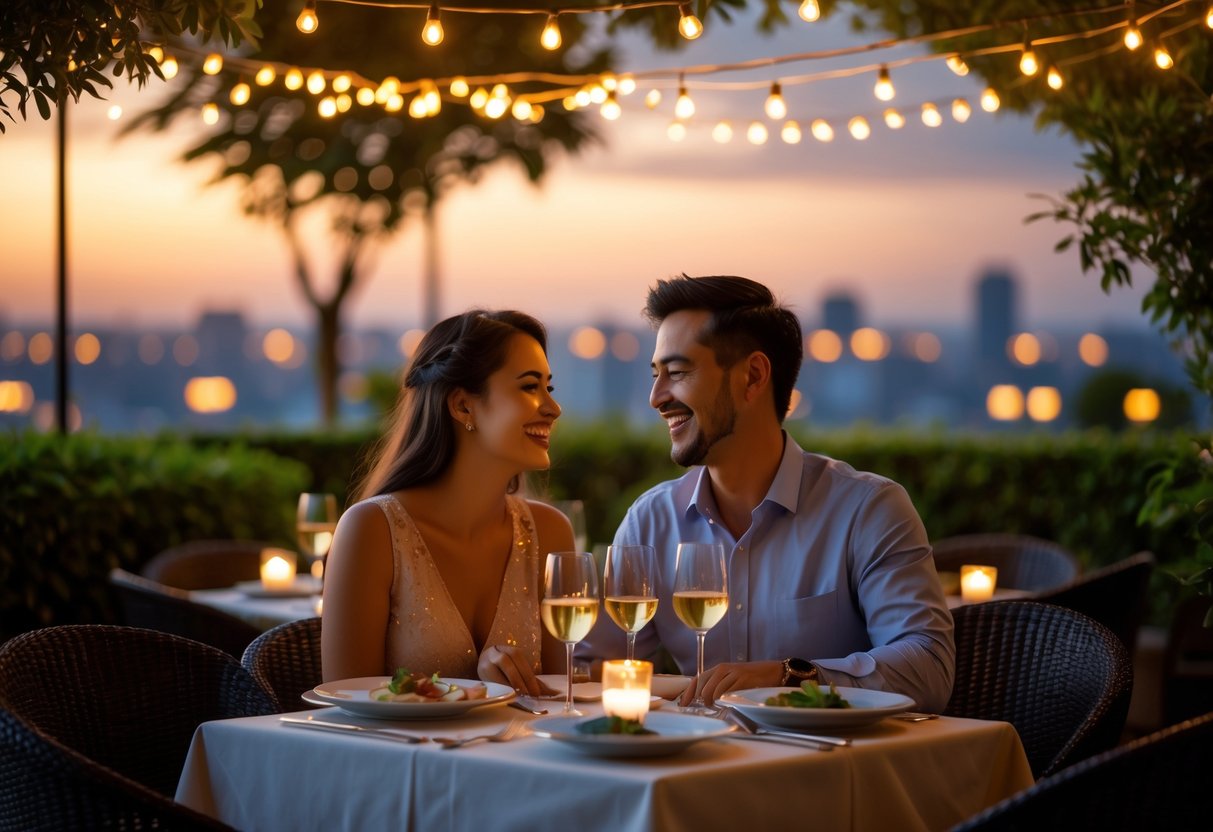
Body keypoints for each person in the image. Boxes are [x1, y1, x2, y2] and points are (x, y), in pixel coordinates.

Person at [577, 275, 955, 713]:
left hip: (830, 773)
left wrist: (790, 676)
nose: (656, 397)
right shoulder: (651, 522)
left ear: (753, 376)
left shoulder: (868, 510)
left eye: (677, 373)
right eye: (656, 374)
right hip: (694, 769)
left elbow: (928, 671)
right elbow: (594, 672)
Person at [322, 309, 570, 695]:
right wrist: (476, 687)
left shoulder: (550, 533)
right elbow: (346, 700)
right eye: (528, 387)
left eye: (548, 389)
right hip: (401, 756)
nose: (553, 409)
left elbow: (564, 695)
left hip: (525, 755)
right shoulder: (371, 531)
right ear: (463, 406)